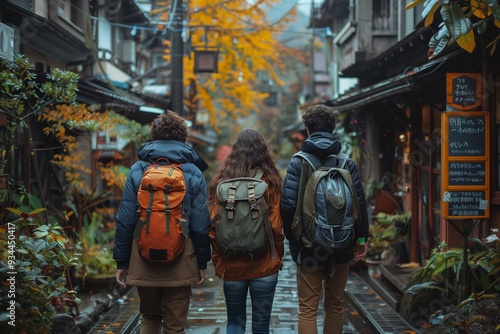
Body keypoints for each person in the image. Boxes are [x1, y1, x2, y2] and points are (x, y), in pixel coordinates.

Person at [113, 111, 211, 334]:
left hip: (143, 253)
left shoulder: (138, 170)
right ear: (183, 138)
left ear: (154, 136)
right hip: (182, 256)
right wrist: (202, 262)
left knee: (149, 316)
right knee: (175, 326)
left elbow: (126, 219)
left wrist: (121, 261)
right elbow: (200, 224)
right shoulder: (193, 172)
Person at [280, 104, 369, 334]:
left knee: (308, 309)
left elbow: (288, 205)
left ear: (307, 130)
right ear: (332, 128)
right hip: (342, 242)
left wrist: (294, 239)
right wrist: (361, 240)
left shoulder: (298, 162)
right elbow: (360, 204)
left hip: (309, 245)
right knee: (335, 306)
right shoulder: (345, 161)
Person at [208, 128, 285, 334]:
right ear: (263, 151)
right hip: (265, 266)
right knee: (261, 325)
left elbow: (213, 227)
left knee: (234, 322)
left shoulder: (222, 182)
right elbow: (276, 227)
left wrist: (218, 262)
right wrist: (276, 257)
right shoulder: (271, 181)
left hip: (232, 266)